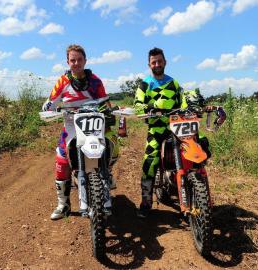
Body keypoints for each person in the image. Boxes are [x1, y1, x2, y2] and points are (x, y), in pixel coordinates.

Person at [134, 47, 212, 218]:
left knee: (202, 144)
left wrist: (191, 107)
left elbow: (183, 101)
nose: (157, 64)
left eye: (159, 61)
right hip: (156, 129)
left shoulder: (174, 83)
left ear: (165, 62)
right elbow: (137, 105)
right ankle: (146, 202)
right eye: (153, 62)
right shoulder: (144, 84)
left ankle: (197, 189)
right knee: (150, 162)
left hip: (176, 127)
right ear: (149, 64)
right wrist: (149, 109)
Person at [42, 44, 118, 220]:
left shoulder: (95, 81)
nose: (76, 63)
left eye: (79, 59)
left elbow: (105, 101)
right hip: (71, 126)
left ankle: (107, 176)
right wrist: (49, 108)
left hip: (94, 124)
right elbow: (51, 102)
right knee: (62, 158)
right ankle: (63, 204)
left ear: (85, 60)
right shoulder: (63, 81)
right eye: (72, 60)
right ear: (68, 62)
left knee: (110, 146)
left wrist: (110, 112)